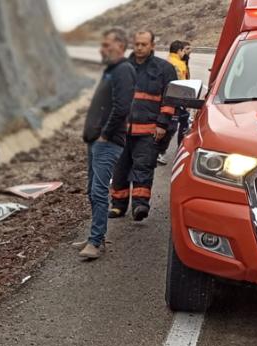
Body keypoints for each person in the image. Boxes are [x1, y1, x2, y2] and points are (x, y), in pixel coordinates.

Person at [75, 28, 135, 261]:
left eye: (107, 45)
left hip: (107, 143)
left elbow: (122, 107)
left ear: (120, 45)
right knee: (92, 190)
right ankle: (94, 235)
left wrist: (105, 135)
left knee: (99, 191)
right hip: (97, 141)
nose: (102, 49)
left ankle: (96, 241)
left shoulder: (124, 70)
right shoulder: (112, 70)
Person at [110, 31, 178, 222]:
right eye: (137, 44)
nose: (139, 47)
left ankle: (140, 205)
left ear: (152, 46)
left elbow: (169, 99)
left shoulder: (164, 69)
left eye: (144, 44)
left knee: (143, 167)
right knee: (119, 169)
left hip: (148, 130)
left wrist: (162, 124)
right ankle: (118, 206)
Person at [157, 40, 193, 165]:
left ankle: (162, 150)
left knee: (176, 125)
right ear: (179, 51)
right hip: (174, 101)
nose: (186, 53)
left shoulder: (171, 62)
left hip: (174, 100)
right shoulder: (176, 64)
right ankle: (159, 151)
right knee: (170, 127)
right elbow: (179, 84)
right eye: (185, 50)